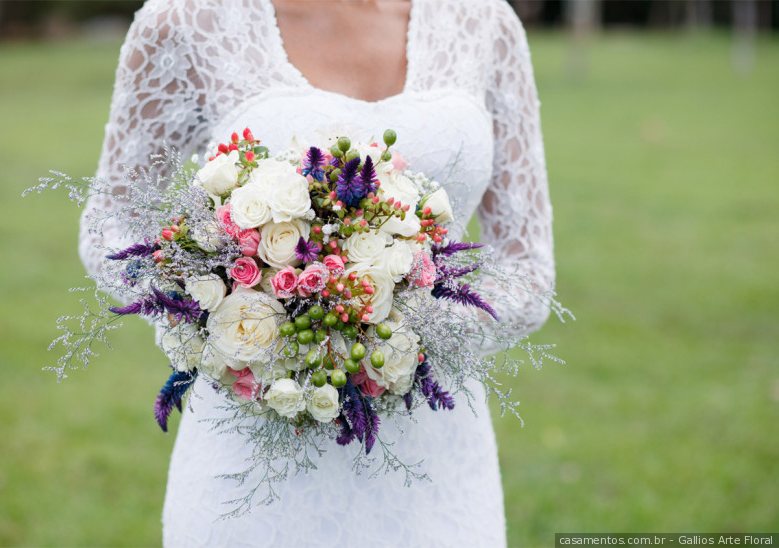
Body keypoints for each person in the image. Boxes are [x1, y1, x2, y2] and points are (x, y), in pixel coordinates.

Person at [79, 0, 555, 545]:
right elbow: (110, 226)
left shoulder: (484, 22)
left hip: (435, 468)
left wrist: (395, 329)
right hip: (250, 476)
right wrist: (223, 324)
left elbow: (527, 269)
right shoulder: (188, 20)